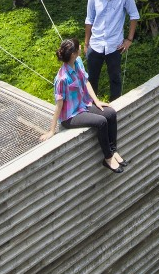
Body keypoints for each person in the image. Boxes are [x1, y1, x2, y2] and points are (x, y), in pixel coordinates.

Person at [46, 38, 126, 173]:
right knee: (101, 122)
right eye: (78, 48)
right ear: (73, 54)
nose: (81, 48)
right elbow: (59, 105)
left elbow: (86, 82)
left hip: (83, 105)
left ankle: (113, 150)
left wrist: (96, 101)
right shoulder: (62, 78)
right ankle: (107, 158)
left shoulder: (77, 63)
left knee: (110, 113)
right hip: (71, 116)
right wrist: (52, 130)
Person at [83, 0, 139, 101]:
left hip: (114, 45)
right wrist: (86, 43)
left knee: (115, 77)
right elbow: (89, 19)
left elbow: (134, 15)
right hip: (95, 43)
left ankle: (115, 104)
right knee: (92, 77)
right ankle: (91, 103)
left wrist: (129, 39)